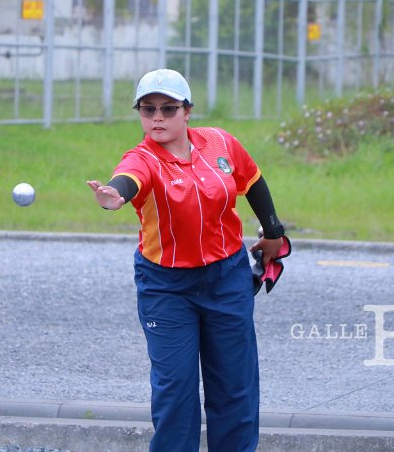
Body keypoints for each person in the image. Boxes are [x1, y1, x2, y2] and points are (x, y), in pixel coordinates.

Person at [87, 68, 287, 451]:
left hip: (227, 277)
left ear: (187, 110)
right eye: (148, 110)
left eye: (168, 108)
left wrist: (274, 233)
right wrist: (115, 194)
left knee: (234, 388)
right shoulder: (143, 158)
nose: (157, 118)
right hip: (167, 286)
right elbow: (128, 178)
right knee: (175, 392)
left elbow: (253, 181)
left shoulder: (220, 144)